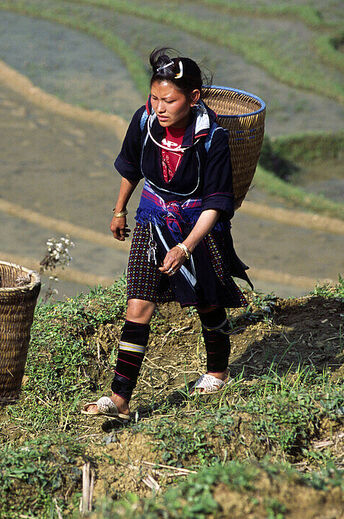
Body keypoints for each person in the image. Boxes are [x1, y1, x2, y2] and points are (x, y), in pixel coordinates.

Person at [83, 48, 251, 421]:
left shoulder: (213, 139)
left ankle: (218, 372)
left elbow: (215, 204)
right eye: (154, 98)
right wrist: (119, 208)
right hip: (153, 218)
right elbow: (130, 167)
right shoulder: (144, 122)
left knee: (207, 301)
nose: (159, 107)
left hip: (197, 226)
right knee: (138, 305)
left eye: (169, 101)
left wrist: (186, 248)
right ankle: (120, 399)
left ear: (193, 99)